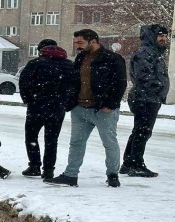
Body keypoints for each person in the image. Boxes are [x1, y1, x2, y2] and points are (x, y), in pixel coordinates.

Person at [45, 29, 127, 188]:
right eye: (76, 42)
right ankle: (70, 175)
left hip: (103, 110)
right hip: (80, 108)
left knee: (109, 143)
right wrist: (71, 101)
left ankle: (112, 175)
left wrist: (110, 104)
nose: (77, 46)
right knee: (76, 143)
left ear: (93, 41)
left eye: (80, 42)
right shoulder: (81, 57)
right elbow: (74, 80)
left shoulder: (112, 59)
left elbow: (120, 83)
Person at [18, 38, 77, 180]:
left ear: (41, 50)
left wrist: (28, 99)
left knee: (31, 137)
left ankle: (34, 166)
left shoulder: (35, 64)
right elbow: (76, 86)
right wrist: (67, 104)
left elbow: (24, 82)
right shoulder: (70, 65)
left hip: (37, 106)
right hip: (58, 108)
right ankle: (49, 170)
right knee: (52, 140)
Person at [120, 24, 170, 178]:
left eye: (165, 36)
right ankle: (136, 164)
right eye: (160, 36)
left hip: (149, 97)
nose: (164, 39)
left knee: (140, 131)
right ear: (151, 36)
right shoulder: (145, 53)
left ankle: (128, 163)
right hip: (145, 97)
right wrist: (159, 88)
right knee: (143, 131)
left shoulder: (153, 52)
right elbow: (144, 76)